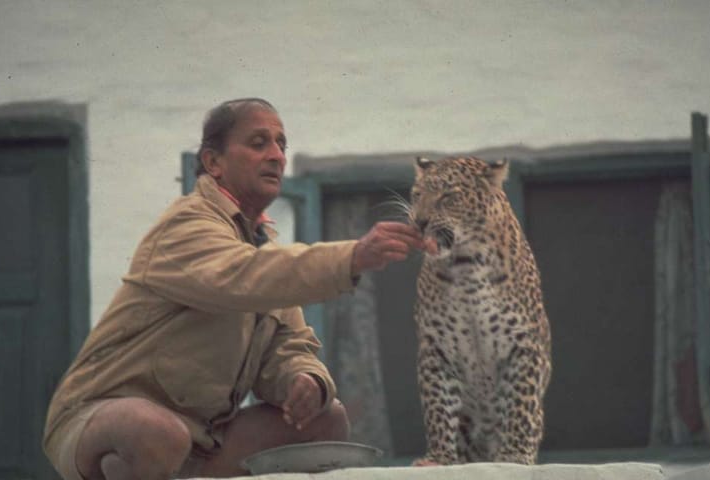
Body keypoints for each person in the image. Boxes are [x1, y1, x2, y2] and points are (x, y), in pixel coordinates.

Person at [42, 98, 428, 480]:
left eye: (281, 144)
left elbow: (289, 345)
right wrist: (352, 256)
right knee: (154, 432)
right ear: (214, 163)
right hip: (98, 417)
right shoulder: (186, 225)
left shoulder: (260, 248)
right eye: (259, 143)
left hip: (201, 441)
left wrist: (304, 380)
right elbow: (242, 276)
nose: (277, 155)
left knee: (327, 419)